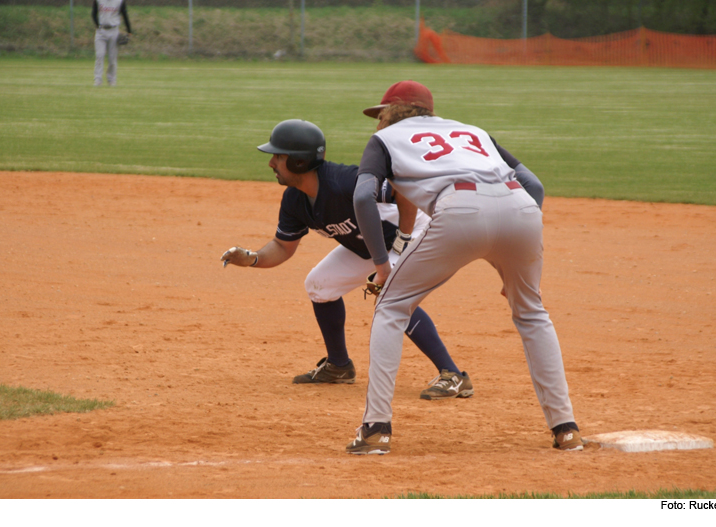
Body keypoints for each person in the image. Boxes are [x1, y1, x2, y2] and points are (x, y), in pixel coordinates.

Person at [346, 80, 582, 455]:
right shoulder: (473, 132)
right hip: (521, 207)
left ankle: (375, 428)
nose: (377, 123)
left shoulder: (386, 139)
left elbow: (362, 195)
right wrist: (516, 263)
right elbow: (533, 184)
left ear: (392, 113)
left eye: (380, 114)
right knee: (532, 313)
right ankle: (566, 429)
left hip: (458, 209)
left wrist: (380, 263)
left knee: (391, 307)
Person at [220, 119, 481, 398]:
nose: (271, 163)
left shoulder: (346, 182)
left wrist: (402, 244)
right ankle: (339, 366)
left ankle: (453, 375)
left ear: (298, 162)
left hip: (413, 231)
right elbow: (283, 247)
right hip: (371, 244)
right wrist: (253, 259)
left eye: (278, 156)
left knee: (393, 296)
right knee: (319, 285)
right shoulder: (294, 200)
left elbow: (405, 194)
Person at [92, 0, 132, 87]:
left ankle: (111, 80)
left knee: (112, 58)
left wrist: (129, 30)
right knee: (100, 55)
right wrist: (97, 25)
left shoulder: (119, 1)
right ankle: (98, 79)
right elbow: (93, 14)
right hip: (101, 31)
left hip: (113, 30)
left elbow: (124, 14)